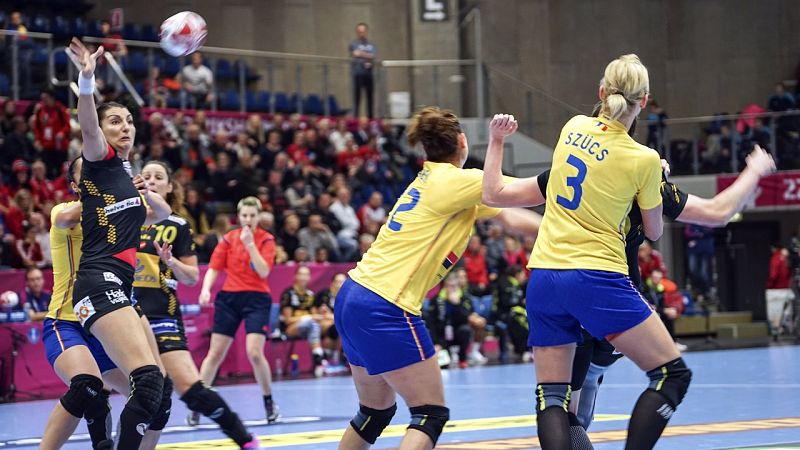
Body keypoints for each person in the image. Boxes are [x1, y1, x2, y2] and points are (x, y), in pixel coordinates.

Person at [483, 55, 776, 448]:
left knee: (556, 401)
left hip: (548, 279)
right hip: (601, 287)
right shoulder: (645, 163)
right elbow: (692, 219)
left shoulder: (572, 132)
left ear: (602, 92)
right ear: (645, 100)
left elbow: (499, 196)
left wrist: (497, 141)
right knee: (667, 375)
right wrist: (753, 170)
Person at [334, 106, 539, 450]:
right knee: (430, 413)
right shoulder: (459, 181)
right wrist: (498, 141)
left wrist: (553, 230)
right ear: (462, 142)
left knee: (374, 412)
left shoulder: (435, 181)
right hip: (385, 302)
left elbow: (510, 217)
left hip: (353, 295)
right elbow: (529, 191)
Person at [54, 38, 172, 450]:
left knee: (160, 395)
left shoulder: (124, 175)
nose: (126, 127)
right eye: (116, 122)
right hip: (97, 282)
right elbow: (87, 127)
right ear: (103, 134)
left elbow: (161, 214)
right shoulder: (99, 162)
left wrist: (144, 190)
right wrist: (87, 82)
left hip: (120, 287)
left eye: (130, 121)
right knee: (148, 380)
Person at [39, 157, 165, 450]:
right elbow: (64, 219)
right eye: (88, 175)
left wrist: (138, 193)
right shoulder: (65, 210)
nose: (97, 177)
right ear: (75, 185)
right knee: (87, 384)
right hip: (66, 322)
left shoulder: (116, 217)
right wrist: (112, 193)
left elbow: (159, 214)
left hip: (104, 322)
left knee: (154, 396)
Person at [133, 161, 261, 449]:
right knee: (124, 391)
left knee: (190, 388)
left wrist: (171, 262)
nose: (151, 180)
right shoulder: (125, 218)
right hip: (122, 315)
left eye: (158, 177)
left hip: (161, 315)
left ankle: (245, 439)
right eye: (147, 175)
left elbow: (191, 277)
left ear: (169, 187)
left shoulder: (177, 225)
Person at [196, 196, 280, 425]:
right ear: (239, 217)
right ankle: (198, 403)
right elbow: (214, 268)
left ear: (258, 217)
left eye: (252, 216)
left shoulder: (266, 240)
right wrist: (205, 289)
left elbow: (263, 271)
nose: (248, 219)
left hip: (257, 299)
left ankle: (269, 402)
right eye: (244, 215)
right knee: (215, 354)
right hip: (229, 299)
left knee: (254, 353)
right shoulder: (228, 239)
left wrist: (250, 245)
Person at [280, 265, 331, 377]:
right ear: (295, 276)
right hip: (291, 328)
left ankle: (322, 359)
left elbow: (315, 315)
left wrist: (322, 313)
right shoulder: (288, 293)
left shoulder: (310, 295)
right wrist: (307, 318)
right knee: (311, 323)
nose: (304, 277)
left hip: (311, 327)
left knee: (327, 326)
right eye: (301, 274)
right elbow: (288, 320)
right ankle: (320, 358)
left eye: (306, 275)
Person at [349, 23, 376, 118]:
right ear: (357, 32)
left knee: (370, 97)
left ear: (366, 32)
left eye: (363, 31)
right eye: (360, 31)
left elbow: (372, 56)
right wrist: (367, 55)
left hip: (369, 74)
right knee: (357, 98)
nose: (362, 33)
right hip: (357, 74)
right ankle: (355, 118)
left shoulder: (371, 44)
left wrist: (360, 54)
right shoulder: (354, 44)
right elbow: (354, 53)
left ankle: (371, 118)